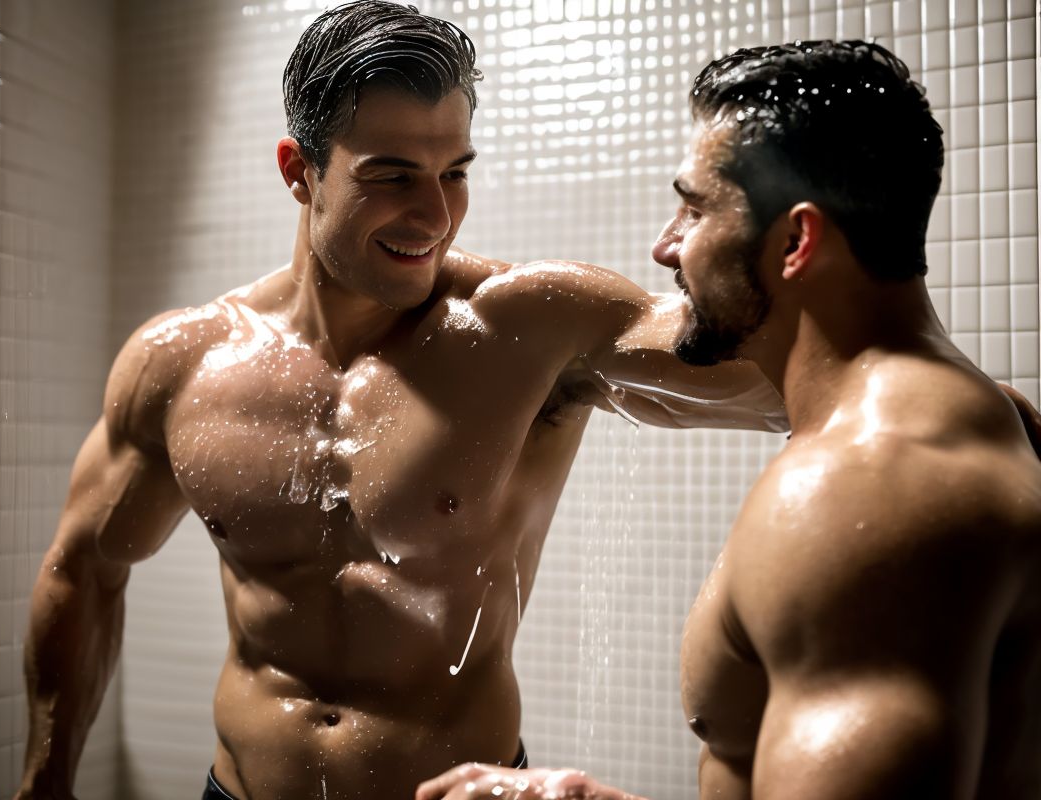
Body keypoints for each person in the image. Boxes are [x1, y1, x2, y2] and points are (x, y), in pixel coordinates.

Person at [14, 4, 789, 799]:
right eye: (391, 177)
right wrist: (44, 783)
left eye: (454, 173)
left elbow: (793, 385)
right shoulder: (182, 362)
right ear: (299, 171)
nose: (434, 215)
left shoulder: (528, 327)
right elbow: (83, 567)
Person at [417, 40, 1041, 800]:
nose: (665, 245)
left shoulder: (868, 489)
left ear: (796, 241)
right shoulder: (981, 416)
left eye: (694, 206)